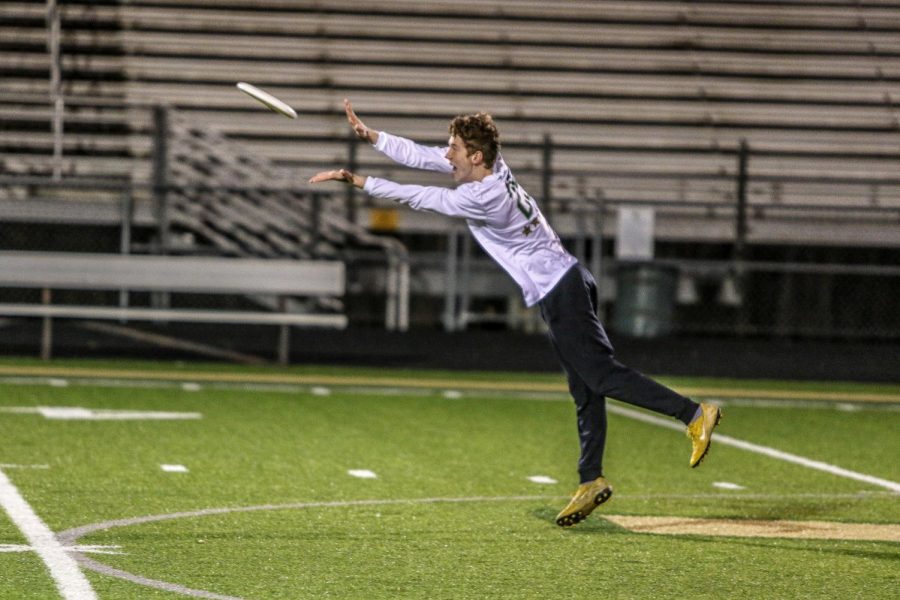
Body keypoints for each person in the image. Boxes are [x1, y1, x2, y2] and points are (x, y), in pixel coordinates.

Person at [310, 99, 722, 528]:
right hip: (565, 282)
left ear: (475, 157)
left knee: (600, 376)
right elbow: (422, 156)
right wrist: (372, 136)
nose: (446, 154)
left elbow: (422, 197)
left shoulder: (483, 197)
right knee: (585, 389)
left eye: (453, 148)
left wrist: (357, 180)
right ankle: (590, 478)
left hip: (561, 288)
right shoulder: (493, 167)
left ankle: (693, 414)